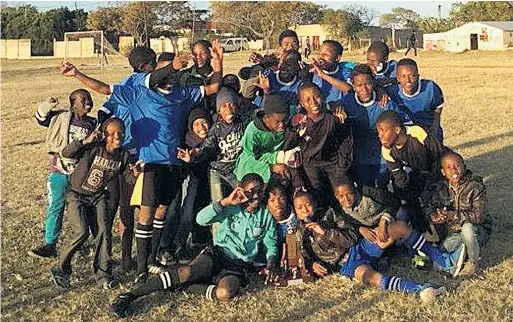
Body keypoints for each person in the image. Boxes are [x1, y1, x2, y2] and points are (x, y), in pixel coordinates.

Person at [59, 39, 224, 285]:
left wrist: (219, 62)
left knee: (161, 214)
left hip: (173, 163)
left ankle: (152, 260)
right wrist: (77, 74)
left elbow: (212, 88)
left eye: (172, 71)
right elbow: (104, 89)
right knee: (144, 216)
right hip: (149, 164)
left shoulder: (182, 94)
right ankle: (140, 270)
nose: (169, 75)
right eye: (164, 70)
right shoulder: (140, 93)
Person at [110, 173, 279, 317]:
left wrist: (271, 264)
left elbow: (270, 243)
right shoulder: (229, 207)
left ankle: (185, 285)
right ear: (241, 190)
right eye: (251, 191)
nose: (256, 195)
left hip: (238, 265)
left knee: (225, 292)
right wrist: (225, 202)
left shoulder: (265, 215)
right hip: (218, 253)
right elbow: (200, 219)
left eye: (259, 190)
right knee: (188, 271)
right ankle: (129, 296)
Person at [293, 189, 467, 303]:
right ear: (296, 212)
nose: (305, 210)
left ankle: (443, 260)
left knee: (398, 227)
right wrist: (311, 264)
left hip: (360, 247)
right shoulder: (300, 233)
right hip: (346, 264)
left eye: (307, 205)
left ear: (314, 204)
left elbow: (350, 238)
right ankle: (421, 290)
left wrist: (325, 232)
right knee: (372, 278)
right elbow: (305, 257)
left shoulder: (329, 215)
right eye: (299, 208)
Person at [50, 118, 138, 290]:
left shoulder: (124, 156)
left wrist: (134, 174)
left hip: (97, 197)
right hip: (77, 195)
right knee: (81, 232)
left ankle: (103, 275)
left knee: (104, 233)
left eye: (120, 132)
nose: (116, 136)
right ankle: (61, 268)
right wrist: (84, 141)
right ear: (104, 135)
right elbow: (67, 153)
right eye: (111, 133)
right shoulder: (93, 148)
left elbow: (127, 177)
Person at [100, 46, 158, 272]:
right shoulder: (145, 83)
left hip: (124, 153)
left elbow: (104, 111)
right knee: (132, 208)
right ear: (146, 67)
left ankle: (125, 257)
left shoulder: (122, 84)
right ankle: (126, 258)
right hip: (134, 155)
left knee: (125, 208)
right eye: (153, 63)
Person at [28, 90, 97, 259]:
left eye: (89, 98)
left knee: (81, 209)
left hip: (80, 174)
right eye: (83, 99)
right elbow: (40, 118)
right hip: (59, 171)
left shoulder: (93, 123)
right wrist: (47, 105)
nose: (87, 102)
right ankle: (50, 244)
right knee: (56, 207)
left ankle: (80, 242)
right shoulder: (60, 118)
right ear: (73, 104)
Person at [376, 110, 449, 232]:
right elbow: (399, 178)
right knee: (404, 193)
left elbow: (439, 155)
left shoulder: (416, 132)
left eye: (384, 130)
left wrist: (431, 186)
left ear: (397, 130)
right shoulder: (386, 150)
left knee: (435, 195)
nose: (380, 135)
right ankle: (421, 230)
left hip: (439, 168)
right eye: (378, 131)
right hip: (419, 173)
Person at [158, 108, 213, 266]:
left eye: (204, 122)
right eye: (197, 124)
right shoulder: (184, 141)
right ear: (190, 127)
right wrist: (187, 160)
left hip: (195, 181)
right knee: (172, 211)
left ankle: (179, 246)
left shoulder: (212, 139)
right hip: (177, 179)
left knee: (188, 213)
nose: (201, 127)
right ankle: (164, 247)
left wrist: (194, 160)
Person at [423, 152, 492, 277]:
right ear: (443, 172)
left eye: (457, 166)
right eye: (448, 168)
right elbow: (429, 209)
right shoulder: (440, 189)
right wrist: (434, 216)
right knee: (440, 255)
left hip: (478, 230)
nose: (454, 170)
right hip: (454, 232)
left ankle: (473, 263)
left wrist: (452, 215)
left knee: (467, 229)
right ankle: (461, 255)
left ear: (464, 167)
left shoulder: (475, 187)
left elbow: (479, 215)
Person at [287, 82, 353, 203]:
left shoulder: (334, 117)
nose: (313, 102)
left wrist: (341, 166)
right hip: (311, 167)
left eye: (316, 97)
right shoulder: (300, 122)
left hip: (334, 164)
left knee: (341, 196)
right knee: (319, 198)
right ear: (301, 103)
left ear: (322, 96)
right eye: (307, 99)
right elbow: (290, 148)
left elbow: (346, 141)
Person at [342, 64, 403, 188]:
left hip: (382, 157)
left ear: (374, 83)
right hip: (359, 157)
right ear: (353, 86)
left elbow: (400, 125)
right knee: (365, 189)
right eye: (359, 85)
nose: (364, 89)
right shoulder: (347, 102)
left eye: (368, 84)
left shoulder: (384, 102)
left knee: (382, 187)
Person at [234, 95, 297, 184]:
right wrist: (278, 158)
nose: (282, 125)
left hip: (280, 163)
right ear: (267, 117)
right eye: (277, 122)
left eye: (284, 120)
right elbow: (256, 156)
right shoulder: (253, 131)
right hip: (254, 166)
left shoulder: (287, 118)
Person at [386, 58, 445, 141]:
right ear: (398, 79)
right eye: (403, 76)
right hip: (408, 137)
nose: (408, 80)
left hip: (430, 132)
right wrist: (380, 91)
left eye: (412, 75)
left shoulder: (430, 88)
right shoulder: (392, 91)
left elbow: (438, 106)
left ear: (418, 76)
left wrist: (434, 127)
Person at [243, 49, 304, 114]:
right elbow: (246, 93)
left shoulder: (300, 84)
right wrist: (260, 69)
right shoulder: (269, 75)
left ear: (298, 66)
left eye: (288, 64)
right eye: (281, 62)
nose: (283, 67)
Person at [310, 40, 357, 105]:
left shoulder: (345, 70)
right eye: (319, 54)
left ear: (337, 58)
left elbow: (349, 89)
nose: (321, 57)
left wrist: (323, 75)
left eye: (326, 54)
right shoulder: (313, 72)